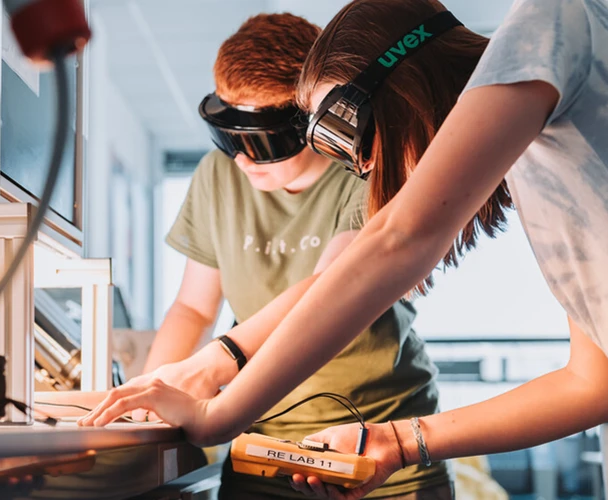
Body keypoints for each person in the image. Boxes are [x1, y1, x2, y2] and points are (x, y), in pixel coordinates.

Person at [80, 0, 608, 498]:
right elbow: (598, 385)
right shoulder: (543, 162)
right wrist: (397, 441)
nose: (361, 167)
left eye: (346, 138)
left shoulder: (552, 20)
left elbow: (396, 241)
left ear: (395, 83)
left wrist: (218, 412)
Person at [130, 12, 452, 499]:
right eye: (230, 138)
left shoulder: (365, 169)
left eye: (259, 143)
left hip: (379, 443)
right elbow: (193, 308)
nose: (241, 160)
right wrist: (148, 397)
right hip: (263, 449)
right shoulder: (217, 178)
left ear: (313, 122)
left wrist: (217, 364)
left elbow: (331, 289)